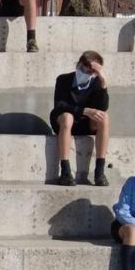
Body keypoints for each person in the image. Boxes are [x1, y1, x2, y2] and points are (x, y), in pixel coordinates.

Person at [50, 51, 110, 186]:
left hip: (86, 124)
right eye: (84, 69)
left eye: (91, 72)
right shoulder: (63, 79)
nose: (86, 74)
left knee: (104, 117)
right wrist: (83, 110)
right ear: (78, 65)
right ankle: (65, 171)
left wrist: (103, 82)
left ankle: (99, 171)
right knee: (67, 117)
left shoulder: (96, 83)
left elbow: (102, 107)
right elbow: (60, 105)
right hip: (64, 122)